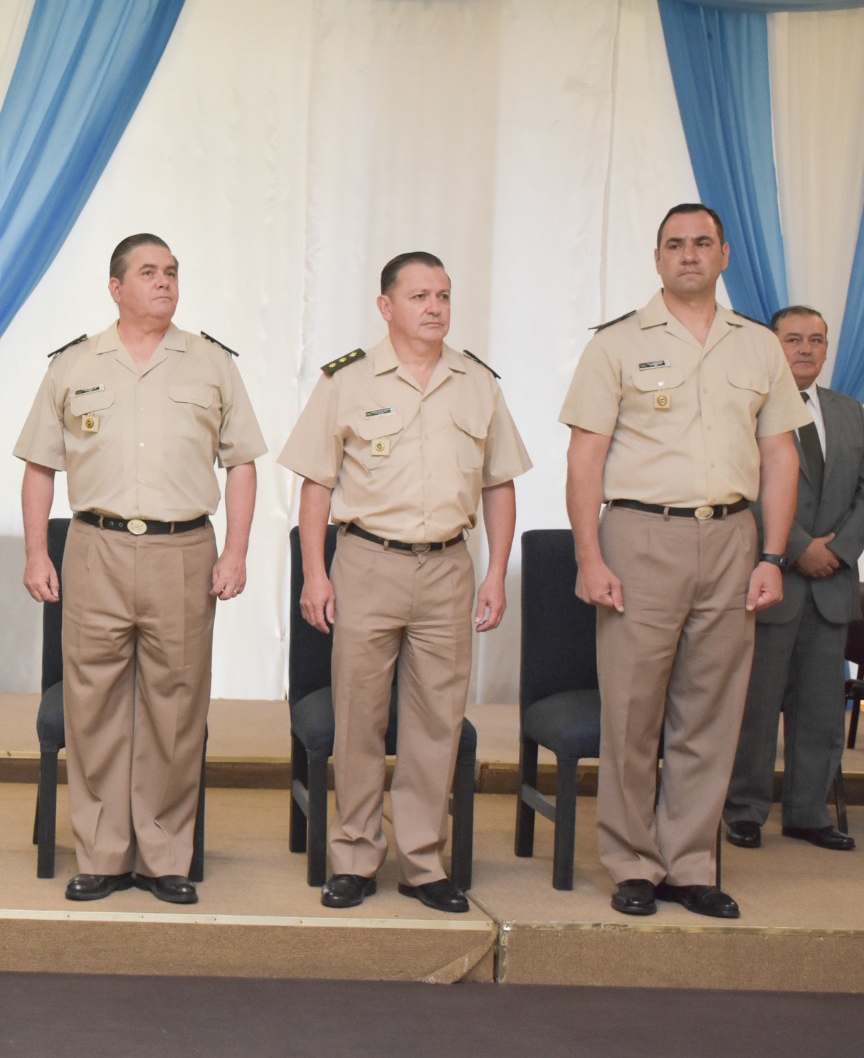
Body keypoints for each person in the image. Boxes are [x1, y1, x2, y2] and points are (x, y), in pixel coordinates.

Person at [561, 203, 806, 920]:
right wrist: (588, 554)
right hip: (641, 537)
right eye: (675, 244)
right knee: (634, 711)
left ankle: (690, 863)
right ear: (658, 257)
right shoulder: (616, 344)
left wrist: (772, 555)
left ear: (725, 254)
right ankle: (633, 862)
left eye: (702, 243)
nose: (689, 254)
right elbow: (586, 457)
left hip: (733, 539)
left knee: (712, 710)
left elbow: (779, 455)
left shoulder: (758, 347)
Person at [14, 232, 265, 905]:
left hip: (183, 551)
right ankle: (101, 853)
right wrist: (38, 550)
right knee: (91, 705)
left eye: (172, 272)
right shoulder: (73, 365)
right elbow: (40, 466)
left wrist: (236, 550)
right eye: (149, 272)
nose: (164, 282)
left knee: (175, 708)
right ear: (115, 287)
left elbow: (242, 462)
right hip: (94, 548)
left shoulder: (211, 364)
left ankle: (162, 856)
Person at [279, 251, 528, 914]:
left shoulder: (478, 382)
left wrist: (495, 571)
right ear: (386, 307)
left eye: (443, 294)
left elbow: (499, 485)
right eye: (419, 295)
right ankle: (355, 856)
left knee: (436, 719)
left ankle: (423, 862)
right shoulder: (346, 382)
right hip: (366, 562)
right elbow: (315, 486)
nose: (435, 307)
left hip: (449, 565)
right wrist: (314, 570)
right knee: (359, 715)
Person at [725, 305, 861, 852]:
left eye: (816, 340)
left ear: (827, 349)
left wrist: (840, 549)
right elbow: (745, 489)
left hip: (833, 585)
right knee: (757, 705)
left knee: (822, 711)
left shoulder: (850, 411)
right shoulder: (749, 408)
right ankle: (745, 810)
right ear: (770, 346)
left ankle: (809, 812)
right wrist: (799, 548)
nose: (805, 349)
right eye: (793, 339)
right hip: (771, 576)